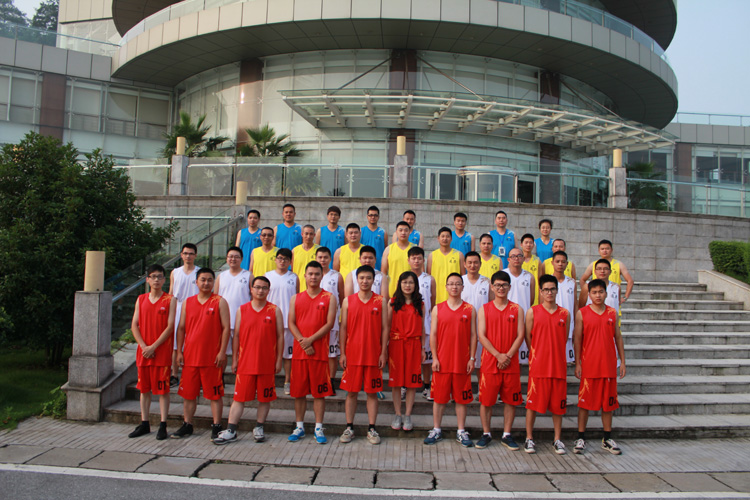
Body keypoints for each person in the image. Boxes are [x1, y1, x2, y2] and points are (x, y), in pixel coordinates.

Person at [213, 276, 283, 445]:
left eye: (264, 288)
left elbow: (280, 336)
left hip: (266, 362)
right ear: (251, 289)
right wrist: (235, 359)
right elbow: (236, 335)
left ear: (269, 290)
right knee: (239, 398)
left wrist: (278, 360)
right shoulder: (242, 310)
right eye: (257, 287)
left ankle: (259, 427)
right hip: (246, 362)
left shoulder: (274, 310)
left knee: (265, 398)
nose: (260, 291)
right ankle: (231, 430)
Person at [172, 268, 230, 441]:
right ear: (196, 282)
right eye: (203, 279)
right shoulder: (188, 302)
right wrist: (179, 351)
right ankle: (187, 424)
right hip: (190, 357)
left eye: (209, 280)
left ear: (213, 282)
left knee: (215, 394)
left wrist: (222, 352)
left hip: (212, 358)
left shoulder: (220, 301)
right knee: (188, 394)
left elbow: (226, 328)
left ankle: (217, 425)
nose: (206, 283)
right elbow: (181, 328)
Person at [573, 278, 626, 455]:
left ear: (606, 293)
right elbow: (578, 339)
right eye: (594, 292)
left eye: (600, 292)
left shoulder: (612, 313)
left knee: (608, 404)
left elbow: (618, 337)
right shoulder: (582, 313)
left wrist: (622, 361)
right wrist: (578, 362)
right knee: (585, 403)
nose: (598, 295)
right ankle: (581, 437)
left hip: (608, 365)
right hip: (589, 365)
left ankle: (607, 437)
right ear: (589, 294)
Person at [424, 273, 477, 447]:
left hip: (462, 361)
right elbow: (433, 335)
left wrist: (471, 358)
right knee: (439, 399)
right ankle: (436, 429)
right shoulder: (438, 309)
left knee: (461, 399)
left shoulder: (470, 309)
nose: (454, 287)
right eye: (451, 284)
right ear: (446, 287)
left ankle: (461, 430)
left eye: (457, 284)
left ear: (462, 287)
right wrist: (435, 358)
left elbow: (473, 335)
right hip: (442, 362)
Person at [287, 261, 338, 444]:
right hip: (300, 353)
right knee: (299, 392)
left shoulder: (329, 297)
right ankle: (299, 426)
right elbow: (291, 322)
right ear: (305, 275)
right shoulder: (296, 298)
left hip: (319, 353)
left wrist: (311, 340)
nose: (313, 277)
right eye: (310, 274)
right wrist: (303, 342)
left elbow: (329, 324)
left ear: (322, 276)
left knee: (319, 393)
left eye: (317, 274)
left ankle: (318, 427)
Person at [339, 265, 389, 445]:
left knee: (372, 393)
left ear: (373, 280)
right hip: (353, 354)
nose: (365, 281)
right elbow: (343, 328)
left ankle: (372, 428)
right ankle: (349, 427)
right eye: (361, 278)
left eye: (368, 278)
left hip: (373, 355)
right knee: (351, 393)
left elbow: (385, 328)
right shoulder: (348, 301)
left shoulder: (381, 301)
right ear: (357, 279)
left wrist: (383, 352)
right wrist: (342, 353)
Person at [475, 271, 525, 450]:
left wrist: (507, 356)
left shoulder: (517, 309)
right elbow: (481, 335)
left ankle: (507, 434)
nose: (501, 288)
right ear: (492, 287)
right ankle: (486, 433)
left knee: (511, 401)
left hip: (511, 363)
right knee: (486, 401)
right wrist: (498, 355)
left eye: (504, 285)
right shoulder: (484, 309)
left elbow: (520, 335)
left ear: (509, 287)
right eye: (497, 285)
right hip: (490, 362)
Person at [128, 264, 177, 440]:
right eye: (153, 277)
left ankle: (163, 424)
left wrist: (153, 347)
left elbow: (170, 326)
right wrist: (144, 346)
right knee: (144, 390)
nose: (156, 280)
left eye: (160, 277)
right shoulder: (141, 299)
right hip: (144, 353)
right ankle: (144, 423)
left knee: (163, 391)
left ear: (164, 280)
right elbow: (134, 325)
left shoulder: (170, 300)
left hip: (161, 353)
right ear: (147, 279)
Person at [523, 275, 570, 455]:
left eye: (552, 289)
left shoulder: (565, 313)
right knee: (532, 404)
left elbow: (564, 338)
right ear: (540, 292)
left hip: (558, 366)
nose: (549, 293)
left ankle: (557, 439)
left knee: (558, 406)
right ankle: (529, 438)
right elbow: (528, 337)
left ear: (557, 290)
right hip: (539, 366)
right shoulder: (533, 312)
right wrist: (537, 354)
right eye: (546, 290)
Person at [387, 271, 425, 432]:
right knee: (396, 383)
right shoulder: (393, 302)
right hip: (396, 344)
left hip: (414, 345)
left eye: (410, 282)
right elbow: (386, 326)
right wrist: (384, 348)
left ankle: (408, 414)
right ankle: (398, 414)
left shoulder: (420, 304)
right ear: (399, 284)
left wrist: (423, 348)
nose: (407, 285)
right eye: (404, 282)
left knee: (411, 383)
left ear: (415, 285)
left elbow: (423, 328)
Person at [264, 248, 299, 395]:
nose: (282, 261)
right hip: (270, 321)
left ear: (290, 262)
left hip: (288, 322)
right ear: (275, 259)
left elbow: (297, 299)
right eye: (280, 258)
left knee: (288, 355)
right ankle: (268, 381)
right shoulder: (267, 276)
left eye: (285, 259)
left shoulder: (294, 277)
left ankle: (287, 381)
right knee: (268, 352)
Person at [169, 243, 200, 387]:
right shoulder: (175, 272)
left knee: (194, 343)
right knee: (176, 344)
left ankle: (194, 375)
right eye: (186, 253)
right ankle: (174, 374)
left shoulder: (199, 272)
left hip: (195, 309)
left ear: (195, 255)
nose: (188, 256)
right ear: (181, 255)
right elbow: (171, 293)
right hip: (178, 307)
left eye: (191, 253)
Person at [408, 246, 436, 401]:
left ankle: (426, 386)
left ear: (423, 260)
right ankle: (405, 385)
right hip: (409, 324)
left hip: (426, 324)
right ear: (409, 260)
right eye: (413, 258)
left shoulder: (429, 279)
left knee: (427, 358)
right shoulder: (405, 278)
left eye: (419, 258)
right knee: (409, 358)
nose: (416, 261)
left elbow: (432, 300)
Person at [316, 246, 344, 390]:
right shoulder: (312, 274)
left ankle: (331, 380)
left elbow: (342, 297)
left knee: (332, 352)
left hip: (332, 321)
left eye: (325, 257)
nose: (323, 260)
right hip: (315, 320)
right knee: (317, 351)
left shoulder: (337, 276)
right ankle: (317, 379)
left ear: (330, 259)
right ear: (316, 258)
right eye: (320, 257)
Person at [214, 246, 252, 355]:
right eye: (230, 256)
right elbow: (215, 298)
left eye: (236, 257)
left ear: (241, 259)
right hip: (223, 320)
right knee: (222, 352)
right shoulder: (221, 276)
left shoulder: (248, 276)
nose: (233, 259)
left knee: (241, 351)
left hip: (242, 320)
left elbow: (253, 298)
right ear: (226, 258)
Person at [462, 251, 493, 369]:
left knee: (481, 363)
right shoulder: (460, 281)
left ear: (480, 264)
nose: (472, 265)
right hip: (463, 326)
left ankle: (481, 382)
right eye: (469, 263)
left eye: (475, 262)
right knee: (463, 362)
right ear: (464, 264)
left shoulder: (487, 282)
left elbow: (491, 304)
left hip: (482, 328)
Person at [504, 248, 535, 364]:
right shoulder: (503, 275)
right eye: (513, 256)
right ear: (508, 259)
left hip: (524, 318)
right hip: (506, 317)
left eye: (519, 256)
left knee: (523, 354)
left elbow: (531, 299)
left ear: (523, 259)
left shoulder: (529, 276)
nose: (516, 258)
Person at [579, 239, 633, 305]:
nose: (605, 251)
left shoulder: (619, 264)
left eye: (607, 249)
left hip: (612, 298)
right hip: (597, 298)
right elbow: (582, 279)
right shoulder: (593, 264)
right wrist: (588, 292)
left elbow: (630, 280)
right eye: (602, 249)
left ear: (611, 250)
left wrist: (625, 297)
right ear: (599, 250)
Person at [551, 251, 578, 364]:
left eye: (563, 262)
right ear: (552, 263)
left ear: (567, 264)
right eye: (557, 261)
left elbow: (575, 304)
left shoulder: (572, 282)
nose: (560, 264)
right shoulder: (547, 281)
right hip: (552, 325)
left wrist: (576, 324)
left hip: (568, 324)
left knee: (565, 359)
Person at [427, 227, 465, 304]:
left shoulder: (459, 255)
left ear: (451, 239)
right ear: (438, 238)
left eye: (447, 236)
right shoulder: (432, 256)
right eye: (443, 236)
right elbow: (428, 277)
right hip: (437, 296)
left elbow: (463, 276)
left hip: (454, 296)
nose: (445, 238)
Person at [382, 221, 413, 297]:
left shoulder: (414, 249)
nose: (403, 233)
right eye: (400, 230)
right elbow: (383, 273)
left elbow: (420, 272)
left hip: (411, 291)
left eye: (406, 230)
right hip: (392, 291)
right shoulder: (389, 249)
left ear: (409, 232)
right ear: (396, 232)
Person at [293, 225, 319, 292]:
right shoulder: (295, 251)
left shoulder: (319, 250)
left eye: (311, 234)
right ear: (302, 234)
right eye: (306, 234)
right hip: (299, 289)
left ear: (314, 235)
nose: (308, 236)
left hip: (315, 289)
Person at [360, 205, 386, 271]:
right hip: (364, 266)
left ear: (378, 217)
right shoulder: (361, 231)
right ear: (367, 216)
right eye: (370, 215)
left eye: (375, 215)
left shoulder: (383, 232)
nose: (373, 217)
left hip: (379, 267)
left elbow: (385, 251)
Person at [520, 233, 543, 306]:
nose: (528, 245)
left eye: (530, 243)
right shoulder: (517, 260)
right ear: (521, 244)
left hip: (534, 294)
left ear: (533, 245)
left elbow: (540, 280)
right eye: (526, 242)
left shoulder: (537, 261)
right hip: (520, 292)